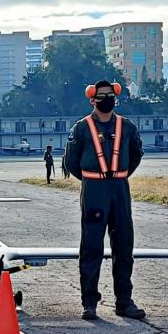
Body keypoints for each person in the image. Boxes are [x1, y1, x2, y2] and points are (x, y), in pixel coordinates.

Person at [65, 80, 145, 320]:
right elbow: (71, 162)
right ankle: (89, 302)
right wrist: (94, 178)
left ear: (116, 98)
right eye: (102, 96)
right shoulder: (81, 128)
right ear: (92, 100)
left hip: (119, 189)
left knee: (124, 246)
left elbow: (136, 156)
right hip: (94, 191)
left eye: (110, 95)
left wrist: (117, 176)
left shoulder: (127, 127)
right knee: (91, 247)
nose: (106, 99)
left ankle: (124, 302)